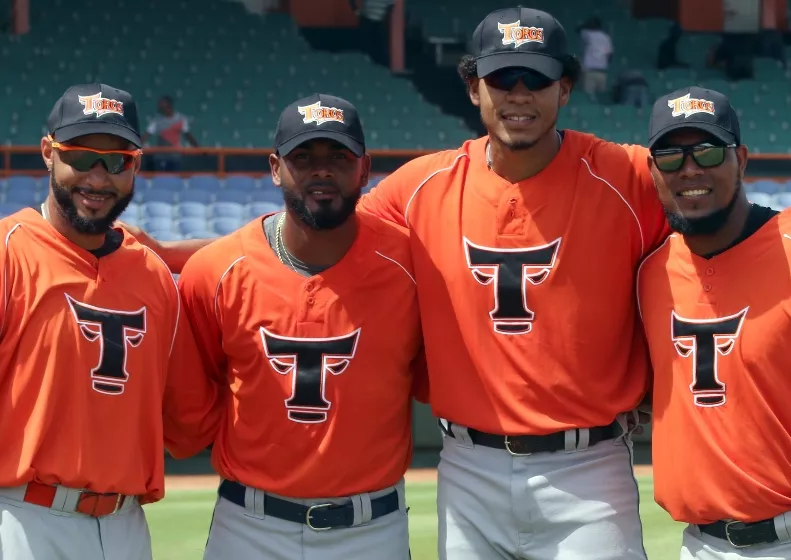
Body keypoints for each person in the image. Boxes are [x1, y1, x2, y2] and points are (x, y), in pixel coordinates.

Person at [123, 7, 668, 559]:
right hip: (467, 462)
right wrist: (170, 253)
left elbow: (713, 228)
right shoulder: (421, 187)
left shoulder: (630, 176)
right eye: (503, 78)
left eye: (537, 78)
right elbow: (316, 233)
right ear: (474, 88)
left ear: (567, 87)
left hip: (590, 462)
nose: (519, 94)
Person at [176, 93, 426, 560]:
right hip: (249, 526)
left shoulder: (413, 265)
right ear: (275, 167)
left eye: (338, 156)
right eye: (303, 157)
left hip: (372, 527)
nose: (322, 170)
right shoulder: (215, 271)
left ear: (365, 169)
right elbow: (195, 403)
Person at [0, 83, 222, 560]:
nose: (98, 177)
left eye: (117, 160)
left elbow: (187, 424)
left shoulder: (154, 276)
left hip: (125, 527)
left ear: (136, 165)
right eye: (81, 157)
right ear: (47, 153)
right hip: (20, 518)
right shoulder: (7, 252)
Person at [637, 86, 791, 558]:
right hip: (699, 545)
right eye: (670, 155)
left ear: (740, 159)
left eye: (706, 151)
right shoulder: (650, 273)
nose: (689, 169)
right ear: (652, 170)